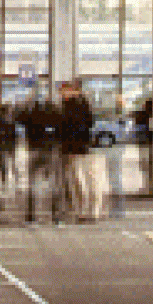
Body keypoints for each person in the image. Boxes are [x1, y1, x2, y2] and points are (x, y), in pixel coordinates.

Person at [56, 81, 96, 223]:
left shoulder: (74, 104)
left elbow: (69, 125)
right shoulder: (78, 103)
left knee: (77, 178)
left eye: (62, 91)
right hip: (74, 146)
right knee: (74, 179)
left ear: (71, 90)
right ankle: (79, 209)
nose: (61, 94)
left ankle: (82, 210)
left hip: (74, 146)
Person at [20, 85, 57, 222]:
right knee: (52, 182)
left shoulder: (32, 111)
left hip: (34, 148)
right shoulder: (52, 111)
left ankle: (31, 214)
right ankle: (54, 214)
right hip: (49, 149)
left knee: (33, 182)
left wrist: (27, 105)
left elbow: (21, 120)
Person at [0, 100, 17, 208]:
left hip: (1, 144)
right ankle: (8, 177)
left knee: (2, 162)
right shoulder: (9, 120)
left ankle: (4, 177)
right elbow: (13, 134)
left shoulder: (0, 119)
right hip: (7, 144)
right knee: (7, 162)